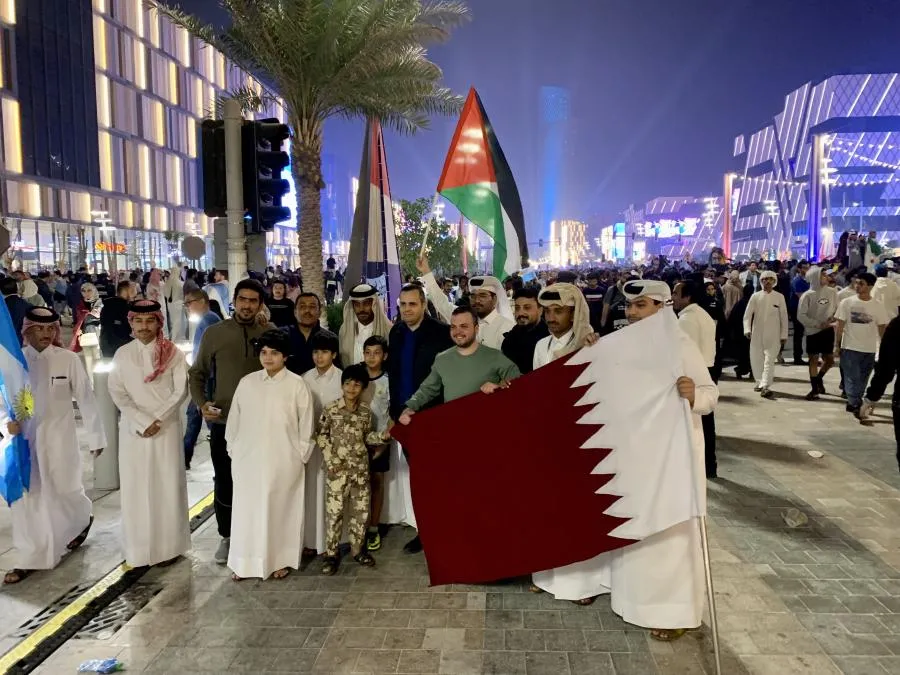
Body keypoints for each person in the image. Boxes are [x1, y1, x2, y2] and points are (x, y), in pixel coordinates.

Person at [532, 279, 717, 640]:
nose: (632, 312)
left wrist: (695, 395)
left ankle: (673, 613)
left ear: (662, 307)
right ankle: (631, 601)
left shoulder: (680, 345)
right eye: (630, 306)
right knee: (633, 531)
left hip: (672, 462)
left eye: (641, 305)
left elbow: (711, 395)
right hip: (635, 458)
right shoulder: (622, 345)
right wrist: (591, 354)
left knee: (669, 537)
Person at [3, 308, 106, 584]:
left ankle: (80, 522)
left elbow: (86, 397)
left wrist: (97, 438)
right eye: (39, 329)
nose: (46, 335)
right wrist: (4, 425)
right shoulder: (14, 363)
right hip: (23, 445)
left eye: (51, 329)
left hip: (61, 441)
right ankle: (31, 557)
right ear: (26, 331)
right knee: (29, 500)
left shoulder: (68, 360)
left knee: (65, 492)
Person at [188, 279, 275, 565]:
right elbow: (197, 373)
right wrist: (202, 404)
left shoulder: (270, 333)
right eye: (243, 299)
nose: (247, 305)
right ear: (234, 301)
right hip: (224, 424)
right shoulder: (215, 333)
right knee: (225, 481)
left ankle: (257, 535)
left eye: (253, 301)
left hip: (261, 426)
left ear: (260, 305)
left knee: (260, 482)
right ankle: (227, 536)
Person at [226, 329, 315, 581]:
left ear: (285, 356)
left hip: (284, 459)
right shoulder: (247, 382)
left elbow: (306, 425)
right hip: (248, 460)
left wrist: (300, 455)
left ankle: (280, 560)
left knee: (280, 510)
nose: (268, 358)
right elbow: (234, 420)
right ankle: (244, 563)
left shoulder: (297, 385)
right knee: (247, 511)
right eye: (264, 352)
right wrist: (234, 449)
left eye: (274, 353)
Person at [107, 300, 190, 568]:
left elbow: (181, 391)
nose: (144, 327)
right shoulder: (122, 354)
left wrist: (158, 418)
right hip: (134, 431)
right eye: (138, 321)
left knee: (167, 486)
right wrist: (142, 420)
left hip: (166, 429)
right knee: (136, 488)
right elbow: (118, 393)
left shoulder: (173, 354)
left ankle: (168, 548)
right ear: (131, 323)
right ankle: (138, 549)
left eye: (149, 321)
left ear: (158, 323)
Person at [387, 284, 453, 554]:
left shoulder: (440, 333)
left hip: (431, 417)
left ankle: (445, 532)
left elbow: (448, 374)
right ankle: (424, 532)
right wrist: (395, 411)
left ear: (424, 305)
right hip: (404, 418)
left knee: (438, 479)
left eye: (412, 304)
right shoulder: (397, 332)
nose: (406, 309)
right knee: (418, 481)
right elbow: (394, 372)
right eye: (402, 304)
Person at [317, 364, 385, 575]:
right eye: (348, 383)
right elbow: (321, 436)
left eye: (357, 384)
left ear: (363, 388)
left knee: (360, 514)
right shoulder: (330, 409)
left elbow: (367, 438)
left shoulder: (365, 412)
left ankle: (358, 550)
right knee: (334, 514)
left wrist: (383, 437)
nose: (352, 388)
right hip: (337, 473)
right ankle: (331, 555)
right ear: (342, 385)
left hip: (360, 472)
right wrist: (332, 460)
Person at [399, 306, 521, 422]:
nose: (458, 331)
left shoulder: (495, 356)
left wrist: (498, 387)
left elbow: (519, 384)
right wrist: (410, 407)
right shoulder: (442, 359)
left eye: (464, 326)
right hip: (453, 428)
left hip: (487, 426)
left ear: (476, 328)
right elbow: (428, 389)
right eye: (453, 327)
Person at [301, 330, 343, 557]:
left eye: (324, 352)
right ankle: (311, 539)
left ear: (334, 354)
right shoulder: (304, 379)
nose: (319, 357)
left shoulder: (341, 379)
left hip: (335, 445)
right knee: (311, 491)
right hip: (312, 445)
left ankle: (333, 540)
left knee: (332, 491)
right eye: (316, 352)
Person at [417, 255, 515, 349]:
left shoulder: (507, 328)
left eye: (482, 296)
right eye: (473, 296)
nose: (477, 300)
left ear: (494, 299)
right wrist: (426, 271)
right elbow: (441, 302)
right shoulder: (463, 318)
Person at [673, 280, 718, 478]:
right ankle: (710, 465)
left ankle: (706, 466)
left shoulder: (686, 321)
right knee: (707, 425)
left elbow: (684, 354)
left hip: (695, 377)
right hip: (708, 369)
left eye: (676, 293)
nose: (672, 298)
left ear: (687, 296)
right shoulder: (702, 314)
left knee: (699, 426)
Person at [835, 272, 888, 417]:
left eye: (861, 283)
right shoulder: (847, 302)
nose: (857, 286)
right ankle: (856, 404)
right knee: (852, 378)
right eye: (856, 283)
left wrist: (883, 346)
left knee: (863, 379)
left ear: (870, 286)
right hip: (850, 347)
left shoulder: (877, 305)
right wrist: (836, 345)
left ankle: (853, 402)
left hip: (869, 348)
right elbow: (840, 325)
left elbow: (882, 326)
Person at [182, 290, 221, 469]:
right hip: (206, 380)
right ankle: (184, 458)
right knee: (194, 418)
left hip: (207, 381)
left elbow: (206, 356)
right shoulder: (208, 320)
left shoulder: (208, 320)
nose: (187, 307)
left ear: (202, 301)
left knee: (211, 423)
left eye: (189, 302)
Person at [360, 335, 391, 550]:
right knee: (358, 485)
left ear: (385, 355)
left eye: (376, 353)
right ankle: (357, 528)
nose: (372, 357)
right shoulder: (356, 377)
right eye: (367, 353)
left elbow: (392, 413)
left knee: (377, 482)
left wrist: (384, 442)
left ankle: (373, 528)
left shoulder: (389, 380)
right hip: (357, 441)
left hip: (380, 440)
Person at [743, 270, 788, 399]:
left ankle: (765, 386)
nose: (767, 281)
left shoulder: (779, 297)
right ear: (761, 281)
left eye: (770, 279)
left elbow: (784, 317)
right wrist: (747, 329)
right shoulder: (755, 296)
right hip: (757, 333)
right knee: (757, 359)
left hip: (773, 335)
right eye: (764, 279)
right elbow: (747, 316)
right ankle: (759, 381)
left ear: (774, 281)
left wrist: (784, 334)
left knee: (769, 360)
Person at [797, 266, 838, 400]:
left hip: (828, 331)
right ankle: (814, 389)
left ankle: (819, 378)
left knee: (830, 360)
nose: (826, 277)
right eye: (823, 275)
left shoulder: (832, 292)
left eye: (826, 275)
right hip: (813, 332)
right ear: (815, 277)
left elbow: (837, 309)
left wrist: (832, 318)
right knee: (813, 360)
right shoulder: (807, 295)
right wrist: (817, 324)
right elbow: (801, 316)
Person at [533, 283, 593, 369]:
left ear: (573, 315)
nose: (550, 318)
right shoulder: (541, 345)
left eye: (558, 311)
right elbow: (536, 381)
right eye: (547, 311)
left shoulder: (585, 344)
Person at [338, 283, 392, 367]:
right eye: (357, 304)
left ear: (373, 304)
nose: (361, 309)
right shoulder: (344, 330)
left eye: (366, 304)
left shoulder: (388, 330)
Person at [501, 287, 549, 374]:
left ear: (540, 310)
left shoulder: (548, 338)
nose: (520, 313)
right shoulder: (513, 333)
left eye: (527, 308)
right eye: (517, 308)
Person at [285, 293, 330, 374]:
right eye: (302, 307)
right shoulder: (282, 336)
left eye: (312, 307)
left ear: (319, 312)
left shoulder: (329, 338)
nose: (307, 311)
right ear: (295, 312)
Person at [100, 280, 138, 358]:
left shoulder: (108, 305)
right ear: (126, 291)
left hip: (106, 346)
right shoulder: (124, 308)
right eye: (133, 290)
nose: (135, 292)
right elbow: (127, 330)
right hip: (120, 348)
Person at [789, 261, 810, 365]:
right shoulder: (797, 281)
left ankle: (802, 356)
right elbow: (800, 296)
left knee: (802, 333)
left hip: (804, 309)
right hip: (797, 309)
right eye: (804, 268)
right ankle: (797, 357)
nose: (806, 270)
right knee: (798, 333)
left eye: (807, 268)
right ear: (799, 269)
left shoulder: (807, 280)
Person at [2, 277, 30, 345]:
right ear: (17, 289)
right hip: (22, 342)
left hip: (5, 343)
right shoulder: (28, 305)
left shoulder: (3, 306)